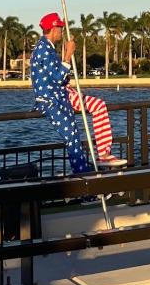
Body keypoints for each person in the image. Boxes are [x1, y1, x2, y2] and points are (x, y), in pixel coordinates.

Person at [31, 12, 127, 172]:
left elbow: (57, 76)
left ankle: (103, 155)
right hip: (52, 100)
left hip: (63, 95)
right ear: (54, 29)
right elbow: (58, 76)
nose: (62, 31)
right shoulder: (43, 50)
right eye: (60, 28)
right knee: (72, 139)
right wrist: (68, 55)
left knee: (98, 106)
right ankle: (84, 179)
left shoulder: (47, 48)